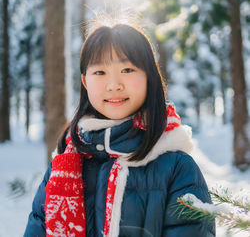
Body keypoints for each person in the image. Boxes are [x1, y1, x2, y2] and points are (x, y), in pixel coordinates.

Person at [24, 19, 215, 237]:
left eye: (127, 69)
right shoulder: (64, 165)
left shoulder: (177, 168)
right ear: (85, 82)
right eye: (100, 72)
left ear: (148, 78)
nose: (114, 84)